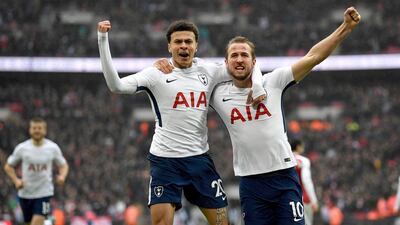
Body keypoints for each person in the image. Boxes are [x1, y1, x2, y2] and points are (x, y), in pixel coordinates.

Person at [194, 6, 360, 225]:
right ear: (225, 64)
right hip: (251, 184)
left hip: (284, 177)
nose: (239, 59)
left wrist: (345, 28)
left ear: (254, 63)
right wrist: (165, 66)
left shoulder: (274, 81)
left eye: (245, 54)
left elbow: (313, 57)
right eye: (234, 55)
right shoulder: (218, 95)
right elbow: (192, 73)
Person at [97, 20, 265, 225]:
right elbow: (116, 86)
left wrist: (257, 86)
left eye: (188, 41)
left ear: (196, 46)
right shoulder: (156, 74)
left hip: (199, 161)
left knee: (222, 222)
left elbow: (250, 67)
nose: (183, 46)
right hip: (165, 162)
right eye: (178, 42)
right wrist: (103, 39)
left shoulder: (208, 70)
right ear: (169, 46)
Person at [4, 118, 69, 225]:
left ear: (45, 130)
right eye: (34, 128)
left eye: (39, 128)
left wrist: (62, 176)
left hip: (44, 192)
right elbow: (8, 166)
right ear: (30, 130)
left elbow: (63, 165)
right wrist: (16, 181)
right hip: (25, 193)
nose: (37, 131)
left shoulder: (52, 148)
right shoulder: (22, 148)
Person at [291, 139, 319, 225]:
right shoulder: (303, 161)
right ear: (298, 147)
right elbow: (306, 181)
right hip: (303, 198)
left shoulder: (284, 160)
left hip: (286, 198)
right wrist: (314, 201)